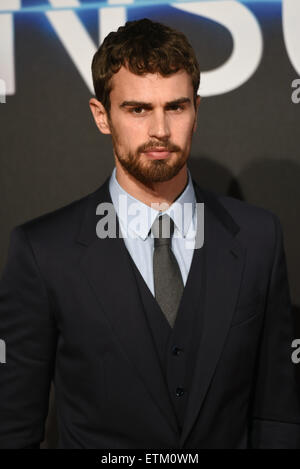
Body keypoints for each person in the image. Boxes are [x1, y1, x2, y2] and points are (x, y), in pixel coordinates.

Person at [0, 18, 299, 450]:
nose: (160, 130)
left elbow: (277, 414)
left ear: (197, 111)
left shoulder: (257, 239)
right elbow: (14, 427)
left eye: (175, 107)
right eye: (138, 109)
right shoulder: (43, 252)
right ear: (102, 116)